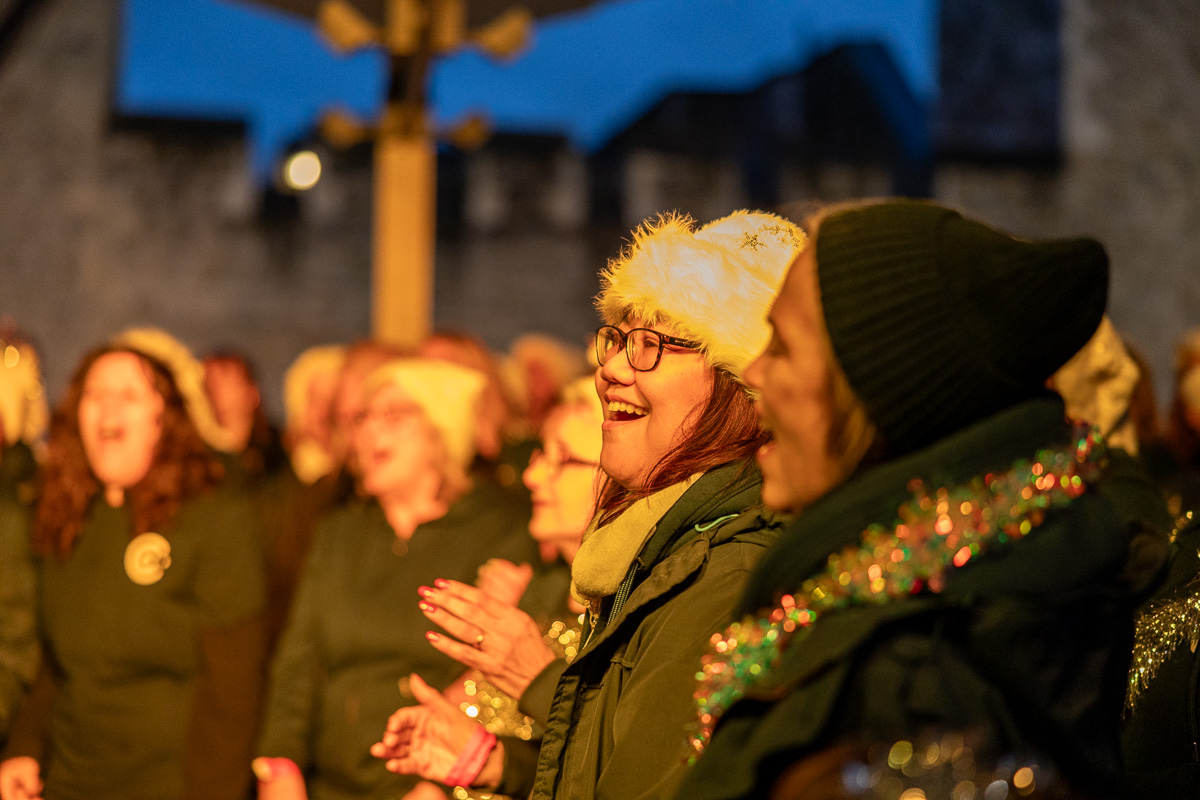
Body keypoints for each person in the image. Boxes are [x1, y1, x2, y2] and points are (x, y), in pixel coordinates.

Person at [676, 199, 1172, 799]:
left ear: (877, 394)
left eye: (782, 346)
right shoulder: (887, 614)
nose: (753, 372)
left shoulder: (917, 690)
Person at [373, 210, 805, 799]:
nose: (612, 368)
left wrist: (536, 680)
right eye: (620, 340)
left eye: (652, 344)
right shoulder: (651, 556)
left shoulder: (726, 572)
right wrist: (488, 760)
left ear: (736, 380)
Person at [254, 359, 538, 800]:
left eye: (392, 415)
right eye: (362, 418)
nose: (368, 432)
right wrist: (279, 768)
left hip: (435, 782)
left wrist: (434, 787)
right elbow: (298, 664)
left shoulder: (497, 531)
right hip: (327, 784)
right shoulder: (341, 533)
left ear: (440, 431)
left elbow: (489, 677)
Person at [0, 334, 267, 800]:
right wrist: (24, 748)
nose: (108, 408)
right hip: (69, 781)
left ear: (164, 418)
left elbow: (235, 690)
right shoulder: (64, 516)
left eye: (128, 395)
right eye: (95, 394)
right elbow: (55, 665)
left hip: (169, 784)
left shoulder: (214, 518)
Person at [203, 350, 286, 487]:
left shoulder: (280, 451)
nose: (213, 387)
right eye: (208, 380)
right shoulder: (202, 458)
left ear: (252, 393)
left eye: (224, 377)